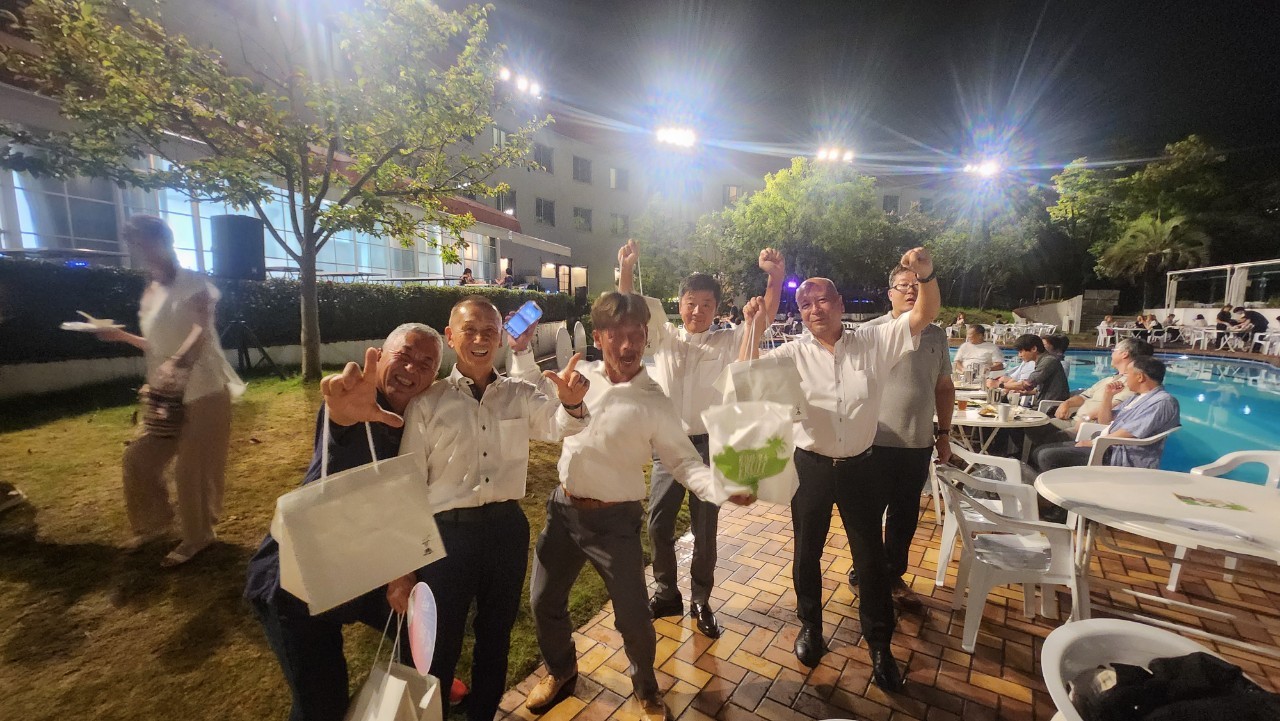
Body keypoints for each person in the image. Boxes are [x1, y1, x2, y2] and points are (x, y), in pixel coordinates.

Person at [524, 292, 754, 721]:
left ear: (647, 336)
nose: (628, 345)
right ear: (599, 337)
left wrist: (720, 487)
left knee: (633, 618)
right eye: (617, 335)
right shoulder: (581, 376)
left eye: (637, 335)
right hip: (562, 512)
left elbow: (684, 462)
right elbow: (533, 405)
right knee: (544, 601)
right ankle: (561, 670)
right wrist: (521, 352)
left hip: (615, 522)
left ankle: (647, 689)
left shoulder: (653, 399)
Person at [739, 247, 940, 691]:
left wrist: (925, 275)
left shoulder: (874, 341)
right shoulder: (793, 353)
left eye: (822, 300)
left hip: (862, 469)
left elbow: (924, 314)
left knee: (870, 560)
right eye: (805, 304)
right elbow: (746, 377)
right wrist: (753, 325)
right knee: (806, 552)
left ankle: (880, 645)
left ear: (840, 304)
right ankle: (811, 627)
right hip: (810, 466)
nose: (814, 309)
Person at [398, 296, 591, 721]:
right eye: (470, 330)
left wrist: (572, 402)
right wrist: (405, 562)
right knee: (437, 642)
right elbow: (408, 485)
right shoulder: (428, 403)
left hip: (505, 530)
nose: (480, 339)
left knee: (495, 634)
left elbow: (558, 424)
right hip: (447, 536)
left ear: (501, 337)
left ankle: (483, 713)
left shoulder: (519, 394)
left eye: (490, 330)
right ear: (451, 337)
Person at [244, 324, 442, 721]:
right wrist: (340, 416)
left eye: (426, 363)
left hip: (358, 571)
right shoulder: (359, 404)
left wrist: (401, 569)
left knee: (422, 621)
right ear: (379, 356)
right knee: (322, 705)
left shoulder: (418, 420)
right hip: (296, 583)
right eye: (403, 355)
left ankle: (421, 678)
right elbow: (337, 435)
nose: (411, 369)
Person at [617, 239, 784, 638]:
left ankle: (701, 599)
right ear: (680, 303)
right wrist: (626, 269)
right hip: (668, 445)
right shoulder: (665, 337)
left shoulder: (727, 341)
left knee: (705, 530)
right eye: (691, 303)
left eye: (706, 304)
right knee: (658, 524)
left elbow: (764, 317)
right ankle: (666, 591)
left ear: (716, 308)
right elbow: (629, 309)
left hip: (710, 446)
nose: (697, 311)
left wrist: (774, 278)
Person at [93, 215, 244, 566]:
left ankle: (198, 537)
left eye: (144, 240)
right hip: (165, 394)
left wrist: (177, 361)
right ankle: (154, 526)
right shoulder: (151, 291)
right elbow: (158, 344)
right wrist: (122, 336)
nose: (139, 249)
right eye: (134, 243)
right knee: (139, 459)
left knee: (191, 470)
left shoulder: (194, 283)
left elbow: (200, 331)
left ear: (164, 241)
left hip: (204, 390)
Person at [860, 264, 954, 611]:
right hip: (874, 442)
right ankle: (865, 570)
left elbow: (944, 387)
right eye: (903, 285)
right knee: (868, 515)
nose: (911, 291)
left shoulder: (937, 336)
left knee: (905, 516)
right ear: (890, 294)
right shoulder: (871, 332)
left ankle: (892, 573)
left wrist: (944, 435)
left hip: (917, 443)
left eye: (917, 285)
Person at [1031, 356, 1180, 473]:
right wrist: (1108, 396)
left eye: (1128, 374)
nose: (1125, 378)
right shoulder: (1137, 397)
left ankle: (1063, 500)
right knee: (1039, 450)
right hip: (1106, 445)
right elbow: (1104, 421)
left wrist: (1093, 443)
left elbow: (1129, 433)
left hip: (1119, 454)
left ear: (1140, 377)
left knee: (1046, 456)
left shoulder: (1162, 402)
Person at [1027, 338, 1155, 447]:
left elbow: (1113, 409)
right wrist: (1066, 404)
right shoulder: (1108, 380)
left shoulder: (1131, 385)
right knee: (1029, 426)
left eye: (1114, 350)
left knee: (1036, 434)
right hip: (1074, 421)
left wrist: (1085, 418)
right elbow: (1083, 396)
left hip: (1088, 428)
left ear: (1124, 354)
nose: (1111, 353)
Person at [990, 334, 1070, 402]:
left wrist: (999, 384)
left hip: (1051, 407)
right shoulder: (1043, 360)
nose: (1019, 355)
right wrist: (1026, 392)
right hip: (1046, 402)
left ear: (1034, 349)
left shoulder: (1048, 361)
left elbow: (1027, 384)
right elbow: (1040, 387)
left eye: (1021, 352)